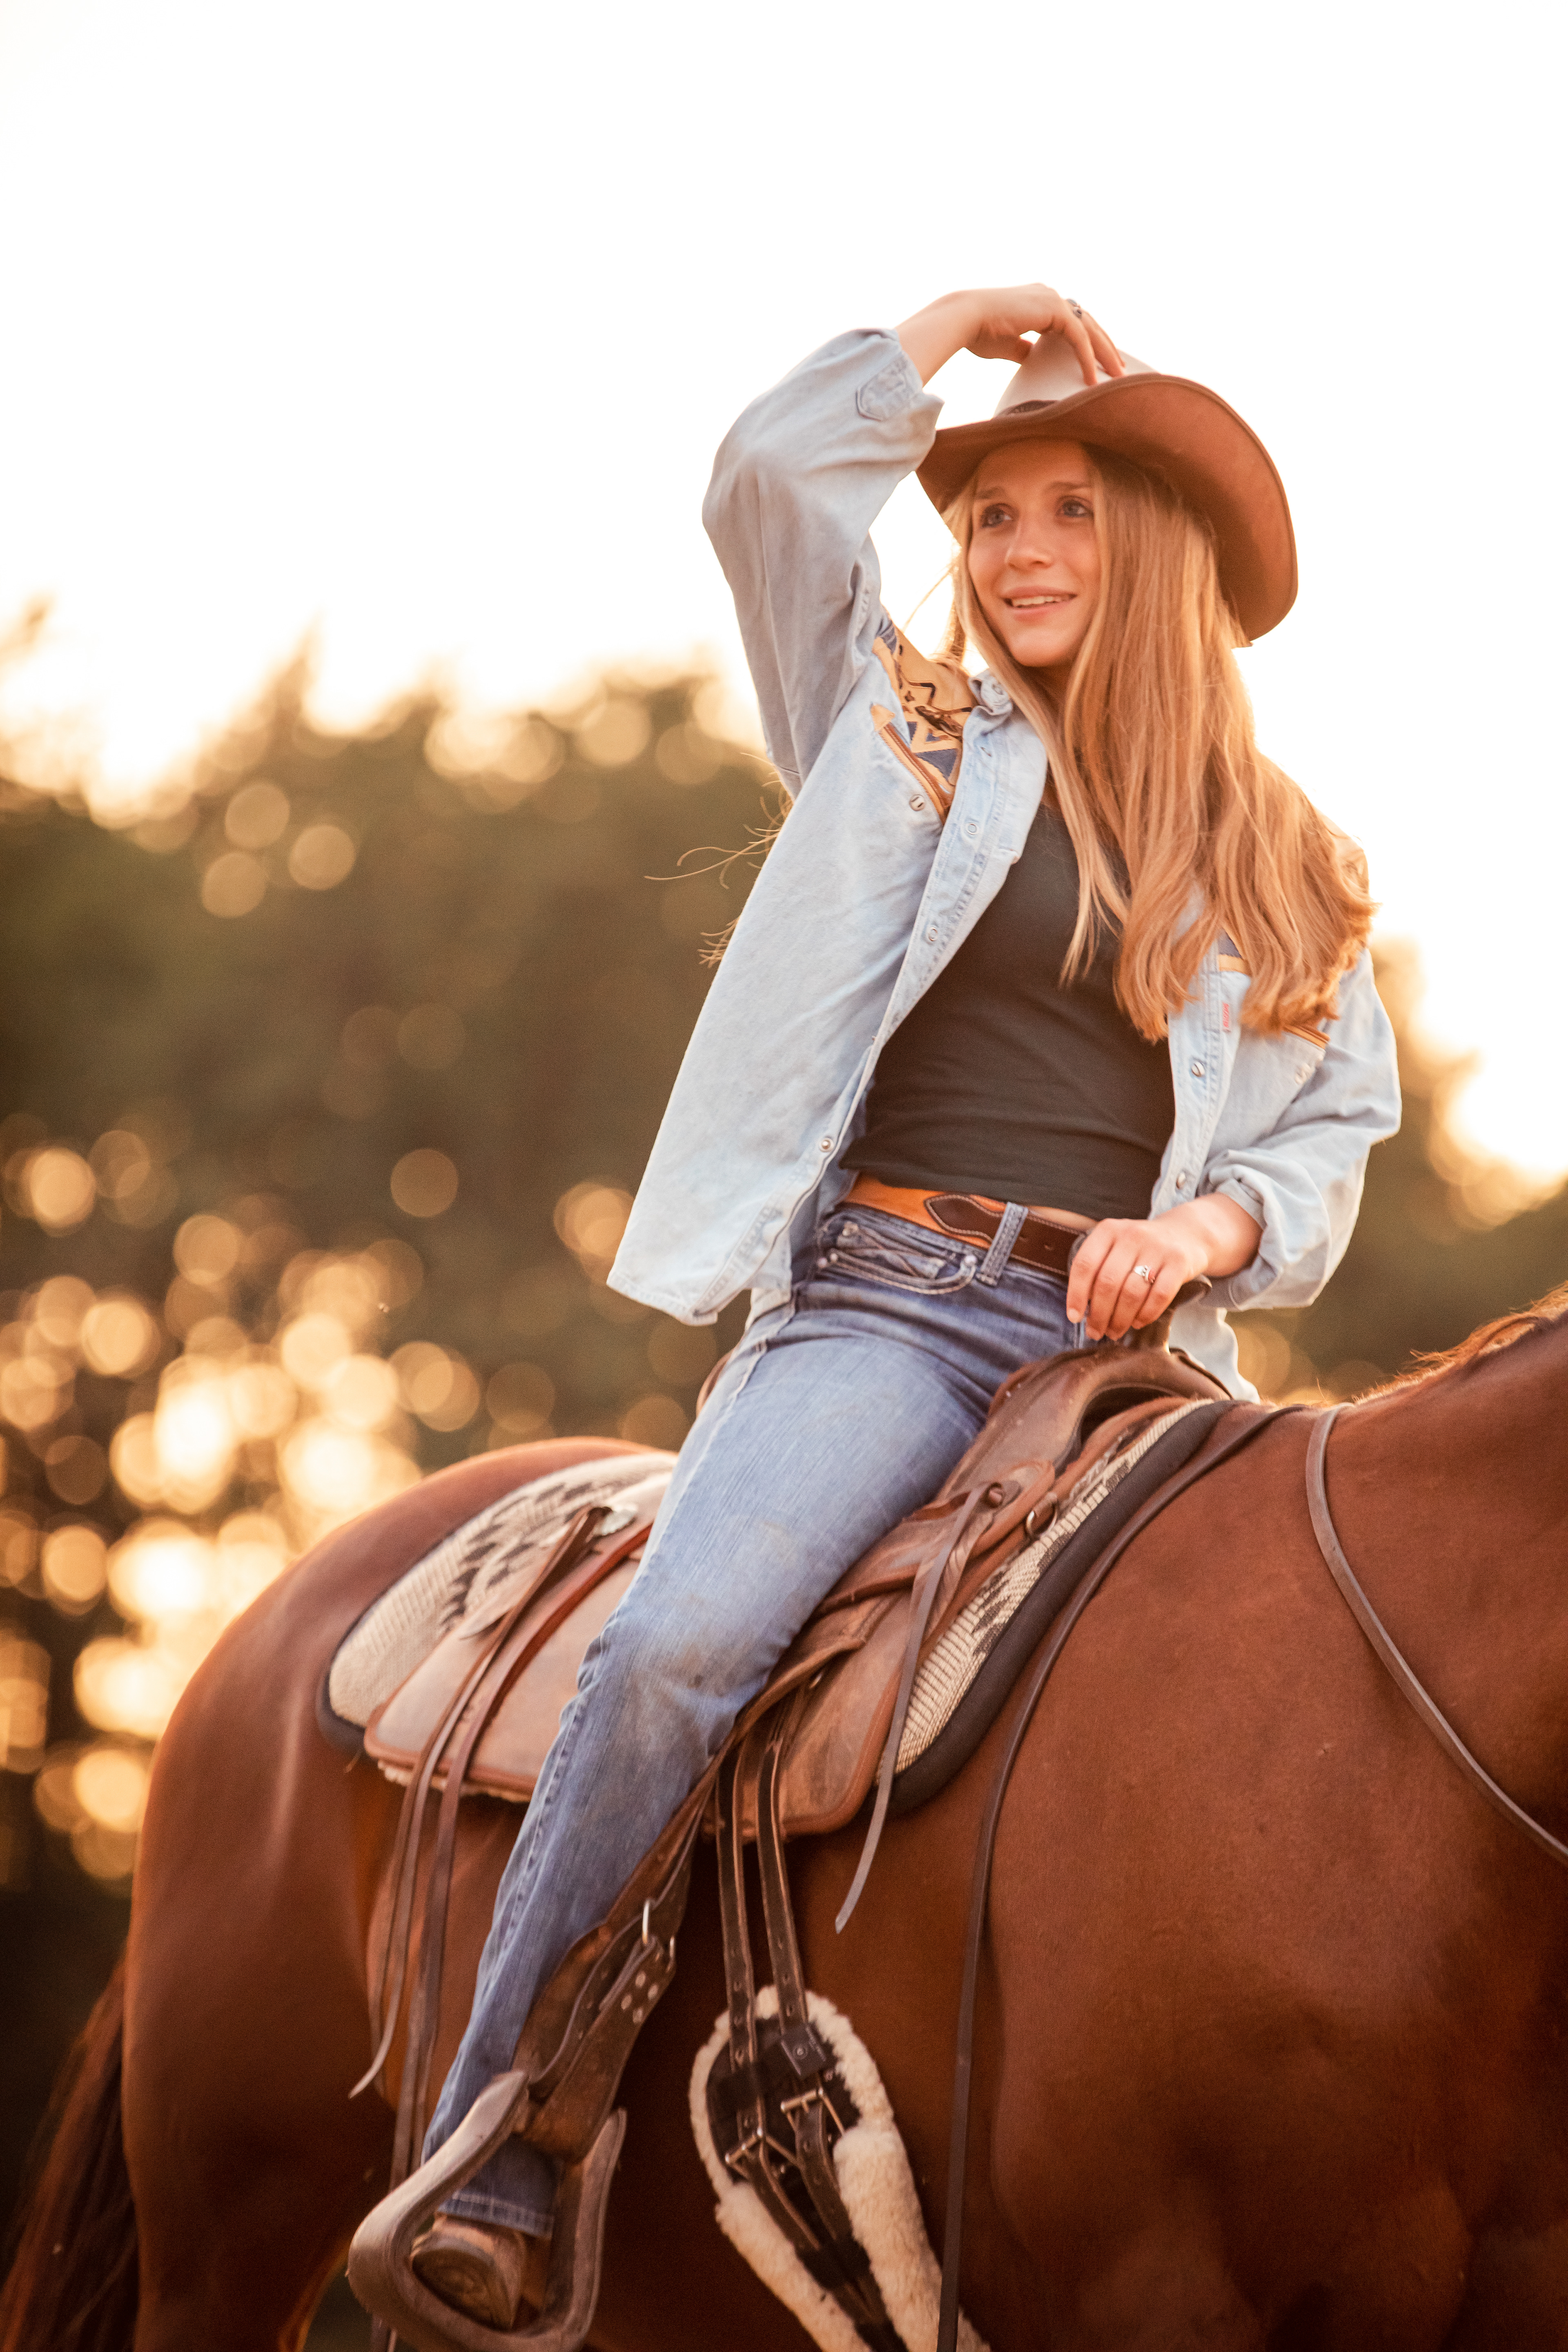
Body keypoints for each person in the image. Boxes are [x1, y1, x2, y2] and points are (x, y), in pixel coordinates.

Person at [388, 282, 1400, 2325]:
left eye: (1069, 514)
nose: (1017, 553)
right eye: (990, 518)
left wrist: (1200, 1238)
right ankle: (501, 2133)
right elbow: (769, 482)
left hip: (1136, 1367)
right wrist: (942, 331)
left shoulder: (1292, 861)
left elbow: (1327, 1135)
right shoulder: (909, 731)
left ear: (1164, 552)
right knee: (678, 1641)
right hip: (894, 1311)